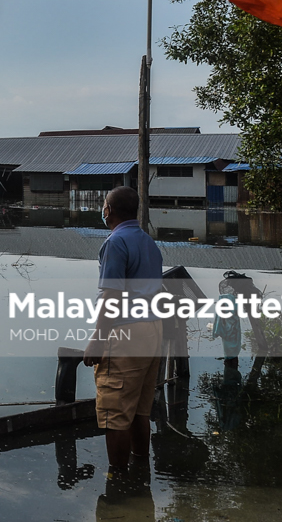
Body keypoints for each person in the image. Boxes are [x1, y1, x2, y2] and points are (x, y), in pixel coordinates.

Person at [82, 186, 163, 484]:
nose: (103, 210)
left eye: (104, 205)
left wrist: (98, 339)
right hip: (153, 328)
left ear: (109, 210)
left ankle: (118, 483)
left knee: (115, 413)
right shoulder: (148, 242)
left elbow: (112, 296)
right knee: (140, 409)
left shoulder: (115, 243)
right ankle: (141, 470)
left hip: (126, 332)